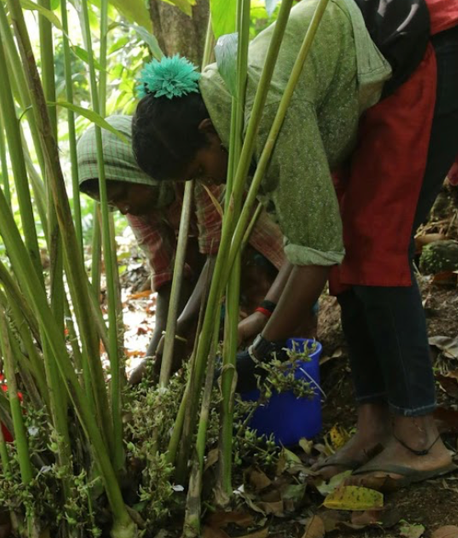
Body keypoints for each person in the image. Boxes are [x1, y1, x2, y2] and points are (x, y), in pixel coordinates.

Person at [130, 0, 458, 488]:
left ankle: (419, 437)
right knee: (355, 249)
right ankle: (373, 427)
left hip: (431, 48)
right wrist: (259, 322)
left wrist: (258, 357)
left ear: (206, 133)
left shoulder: (266, 111)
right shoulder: (231, 114)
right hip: (383, 81)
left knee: (375, 244)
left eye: (199, 168)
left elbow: (318, 254)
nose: (209, 181)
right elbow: (313, 240)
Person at [75, 115, 295, 383]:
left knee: (277, 343)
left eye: (122, 195)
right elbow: (168, 273)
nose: (122, 208)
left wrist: (180, 327)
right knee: (207, 347)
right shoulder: (136, 207)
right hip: (207, 263)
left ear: (137, 170)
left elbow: (221, 250)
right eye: (112, 204)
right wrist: (156, 352)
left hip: (248, 246)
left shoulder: (194, 174)